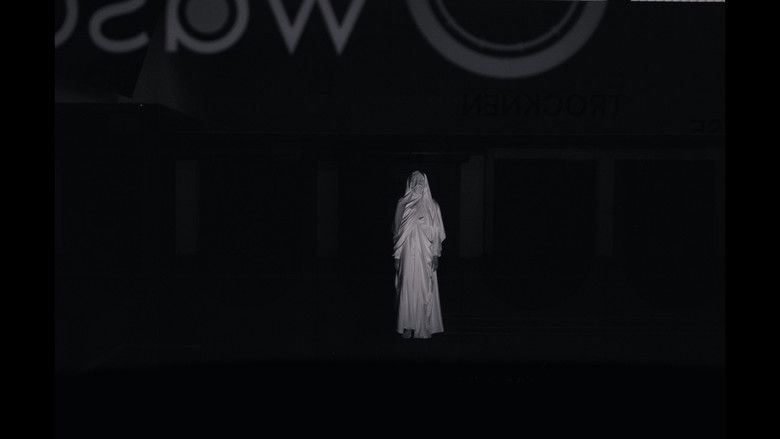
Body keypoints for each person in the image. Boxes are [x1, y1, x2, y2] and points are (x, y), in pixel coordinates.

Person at [392, 171, 445, 339]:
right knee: (407, 287)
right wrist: (397, 256)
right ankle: (407, 325)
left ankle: (423, 326)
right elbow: (397, 232)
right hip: (407, 253)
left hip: (425, 255)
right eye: (414, 181)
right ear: (409, 183)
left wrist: (436, 255)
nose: (417, 184)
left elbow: (437, 233)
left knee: (423, 288)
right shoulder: (403, 204)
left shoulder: (433, 206)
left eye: (420, 180)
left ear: (426, 183)